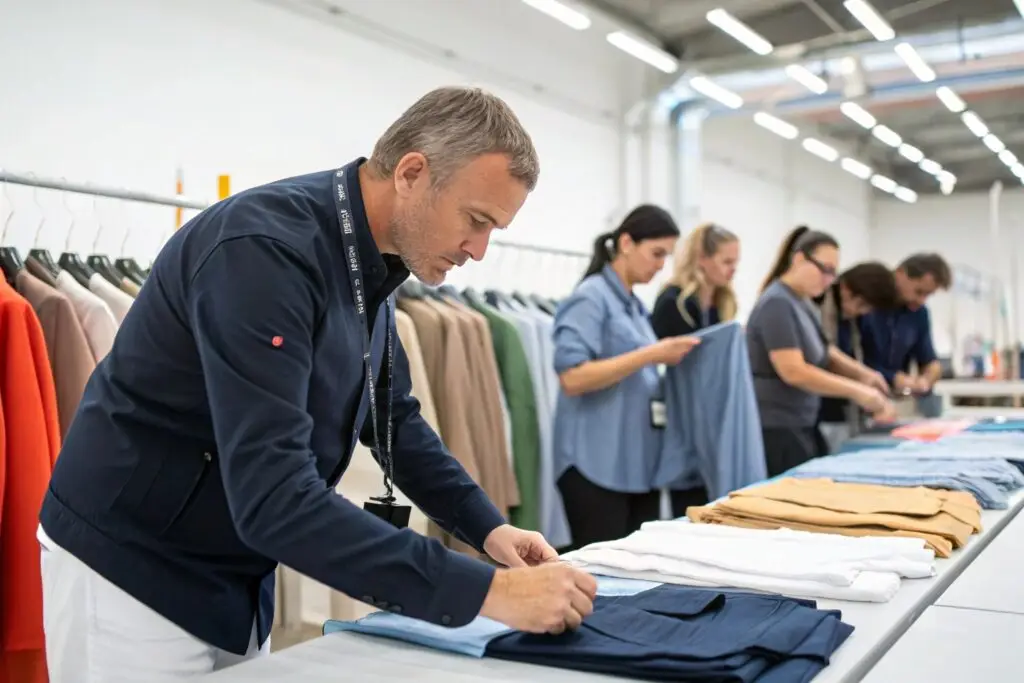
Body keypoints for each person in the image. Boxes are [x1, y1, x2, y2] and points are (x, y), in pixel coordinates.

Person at [37, 86, 598, 683]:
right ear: (413, 172)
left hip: (234, 578)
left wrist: (490, 529)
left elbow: (394, 420)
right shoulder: (263, 253)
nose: (479, 251)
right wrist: (487, 592)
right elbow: (274, 498)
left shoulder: (373, 264)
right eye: (476, 220)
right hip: (131, 574)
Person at [552, 205, 699, 549]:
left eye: (667, 256)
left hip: (636, 467)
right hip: (595, 466)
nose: (661, 265)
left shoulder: (634, 306)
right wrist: (652, 354)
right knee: (603, 580)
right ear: (627, 243)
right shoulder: (591, 297)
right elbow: (572, 377)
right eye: (656, 253)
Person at [746, 227, 895, 476]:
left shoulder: (802, 302)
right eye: (823, 269)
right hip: (778, 428)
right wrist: (859, 392)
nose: (828, 280)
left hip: (802, 423)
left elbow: (826, 352)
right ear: (799, 259)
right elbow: (794, 371)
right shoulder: (777, 303)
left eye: (833, 274)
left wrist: (864, 375)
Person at [650, 222, 739, 515]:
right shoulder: (673, 303)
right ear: (702, 258)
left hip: (715, 417)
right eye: (727, 261)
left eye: (735, 263)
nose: (733, 270)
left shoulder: (722, 304)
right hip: (686, 419)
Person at [814, 260, 900, 449]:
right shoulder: (817, 306)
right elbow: (823, 355)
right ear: (845, 288)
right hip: (817, 413)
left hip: (844, 412)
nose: (861, 312)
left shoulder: (854, 320)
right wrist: (862, 384)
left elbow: (859, 359)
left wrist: (870, 383)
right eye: (860, 304)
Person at [858, 252, 952, 398]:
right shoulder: (866, 303)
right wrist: (893, 378)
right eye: (919, 291)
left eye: (928, 295)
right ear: (900, 273)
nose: (921, 300)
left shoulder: (919, 313)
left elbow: (927, 358)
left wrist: (929, 376)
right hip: (856, 394)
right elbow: (850, 359)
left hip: (892, 399)